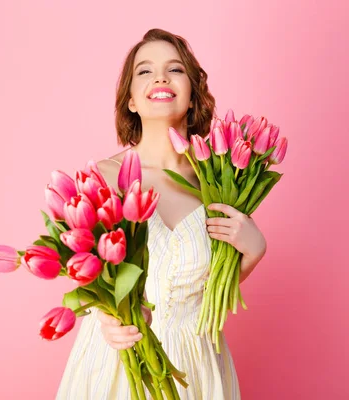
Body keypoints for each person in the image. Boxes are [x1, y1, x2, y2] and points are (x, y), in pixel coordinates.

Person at [55, 28, 267, 400]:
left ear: (192, 93)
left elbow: (212, 290)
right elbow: (84, 276)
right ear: (132, 100)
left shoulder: (220, 181)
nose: (160, 78)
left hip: (197, 362)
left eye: (175, 69)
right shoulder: (103, 177)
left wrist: (254, 253)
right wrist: (106, 317)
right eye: (145, 71)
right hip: (117, 361)